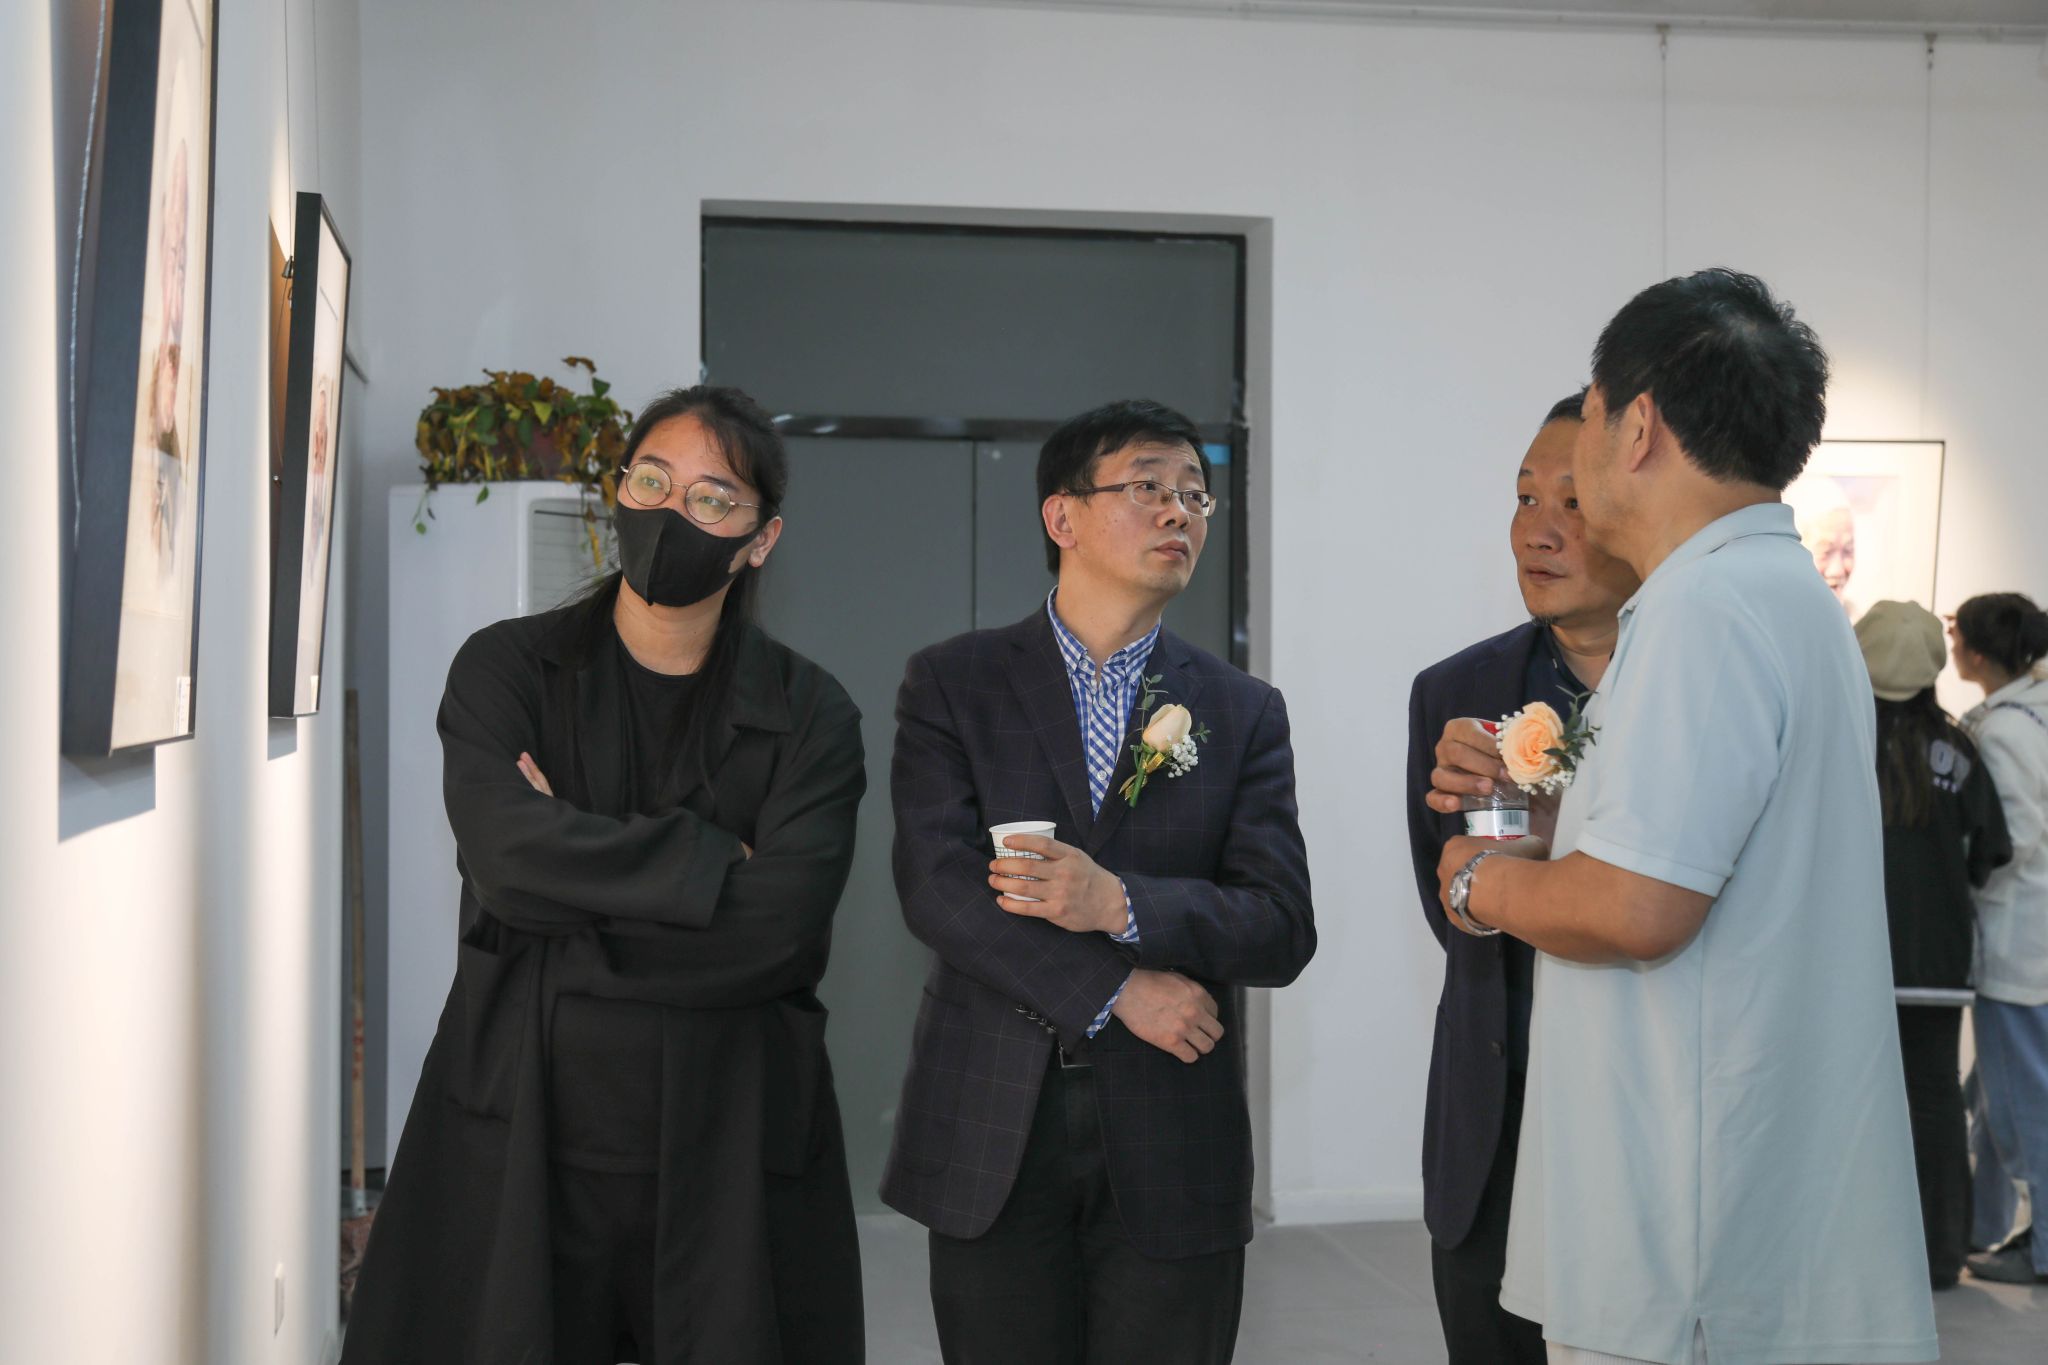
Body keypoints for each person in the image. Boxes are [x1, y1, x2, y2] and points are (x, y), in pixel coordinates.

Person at [1428, 269, 1936, 1364]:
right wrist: (1566, 815)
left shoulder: (1702, 610)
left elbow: (1637, 909)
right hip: (1748, 1205)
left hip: (1682, 1233)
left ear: (1638, 424)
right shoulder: (1781, 596)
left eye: (1590, 418)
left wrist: (1479, 876)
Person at [342, 386, 868, 1364]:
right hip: (528, 1113)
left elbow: (782, 928)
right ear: (615, 491)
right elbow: (507, 862)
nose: (672, 513)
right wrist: (710, 861)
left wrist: (570, 880)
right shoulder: (506, 669)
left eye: (711, 499)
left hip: (732, 1123)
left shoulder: (811, 713)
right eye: (651, 481)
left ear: (760, 539)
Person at [881, 399, 1316, 1364]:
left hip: (1175, 1130)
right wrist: (1116, 989)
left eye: (1195, 494)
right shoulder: (954, 682)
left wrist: (1117, 902)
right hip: (991, 1118)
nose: (1178, 511)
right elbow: (938, 888)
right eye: (1148, 485)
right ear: (1062, 516)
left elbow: (1281, 925)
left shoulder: (1241, 709)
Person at [1406, 388, 1638, 1364]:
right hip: (1494, 1126)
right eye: (1523, 497)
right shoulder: (1455, 692)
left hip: (1641, 1121)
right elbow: (1449, 901)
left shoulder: (1688, 686)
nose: (1535, 530)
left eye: (1572, 502)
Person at [1854, 599, 2011, 1288]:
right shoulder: (1961, 749)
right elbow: (1992, 850)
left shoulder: (1837, 739)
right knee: (1936, 1100)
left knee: (1844, 1098)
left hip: (1847, 959)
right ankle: (1941, 1255)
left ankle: (1852, 1251)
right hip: (1937, 960)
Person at [1948, 592, 2048, 1286]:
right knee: (1993, 1096)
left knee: (2022, 1105)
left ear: (1979, 653)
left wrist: (1957, 879)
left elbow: (2016, 838)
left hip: (2015, 942)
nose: (1951, 645)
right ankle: (1982, 1225)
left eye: (1956, 634)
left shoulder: (2006, 729)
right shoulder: (2030, 711)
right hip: (2029, 937)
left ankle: (2042, 1248)